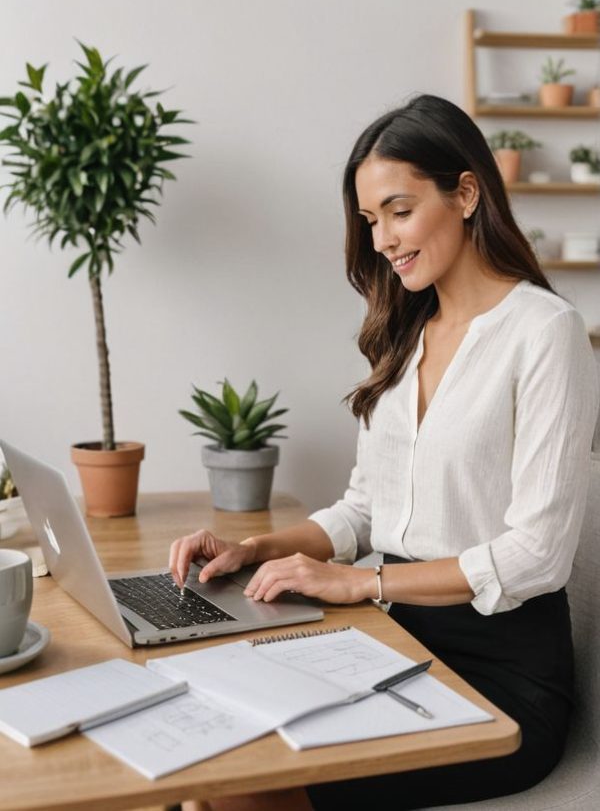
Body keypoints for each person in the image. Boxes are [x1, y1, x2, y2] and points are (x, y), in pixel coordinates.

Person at [169, 94, 600, 810]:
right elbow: (366, 507)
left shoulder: (545, 332)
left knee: (253, 789)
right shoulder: (406, 334)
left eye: (399, 211)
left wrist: (360, 584)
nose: (382, 240)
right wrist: (256, 548)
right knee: (212, 748)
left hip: (502, 680)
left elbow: (539, 556)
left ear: (465, 193)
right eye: (372, 221)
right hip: (392, 643)